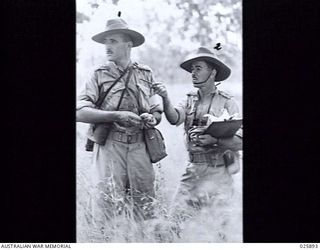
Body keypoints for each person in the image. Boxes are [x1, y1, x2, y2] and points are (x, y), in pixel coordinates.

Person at [76, 18, 163, 225]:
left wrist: (152, 117)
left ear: (128, 44)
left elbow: (156, 110)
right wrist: (116, 116)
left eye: (113, 41)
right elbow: (79, 112)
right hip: (110, 146)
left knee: (145, 207)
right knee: (107, 206)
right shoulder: (98, 74)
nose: (108, 46)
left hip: (140, 146)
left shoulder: (145, 73)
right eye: (106, 42)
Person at [152, 47, 243, 241]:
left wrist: (215, 140)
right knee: (174, 224)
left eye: (198, 68)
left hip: (220, 173)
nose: (193, 73)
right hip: (193, 171)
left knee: (219, 231)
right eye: (192, 68)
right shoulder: (188, 99)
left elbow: (240, 141)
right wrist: (165, 97)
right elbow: (174, 118)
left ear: (213, 73)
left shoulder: (228, 102)